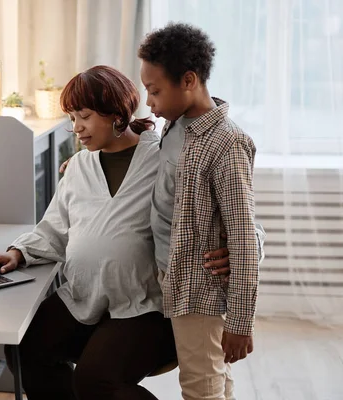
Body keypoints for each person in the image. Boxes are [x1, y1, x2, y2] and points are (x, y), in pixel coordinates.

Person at [0, 65, 232, 400]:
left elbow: (235, 215)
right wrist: (17, 253)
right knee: (23, 349)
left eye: (85, 116)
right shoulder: (78, 167)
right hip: (83, 298)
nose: (76, 128)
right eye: (72, 118)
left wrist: (236, 248)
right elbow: (53, 229)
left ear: (116, 114)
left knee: (96, 381)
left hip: (145, 306)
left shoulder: (164, 160)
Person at [138, 22, 261, 400]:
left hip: (201, 290)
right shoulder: (175, 125)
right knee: (212, 379)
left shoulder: (227, 143)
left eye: (154, 91)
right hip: (173, 278)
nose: (149, 101)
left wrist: (240, 322)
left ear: (188, 80)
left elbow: (243, 236)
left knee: (200, 385)